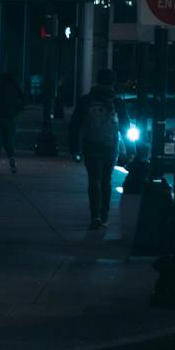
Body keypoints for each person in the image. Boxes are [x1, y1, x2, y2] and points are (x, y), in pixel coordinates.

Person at [68, 72, 121, 232]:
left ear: (97, 81)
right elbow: (125, 125)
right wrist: (132, 149)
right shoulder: (117, 100)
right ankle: (104, 216)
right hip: (110, 145)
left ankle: (94, 216)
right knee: (106, 180)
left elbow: (75, 125)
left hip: (90, 144)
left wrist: (74, 149)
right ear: (112, 83)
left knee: (94, 180)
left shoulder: (86, 100)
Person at [0, 68, 25, 173]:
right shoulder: (16, 88)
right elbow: (22, 103)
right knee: (9, 141)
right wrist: (14, 113)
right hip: (11, 119)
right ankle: (12, 159)